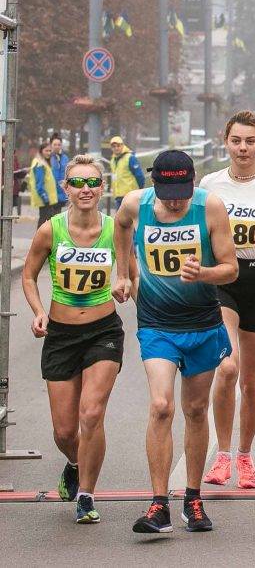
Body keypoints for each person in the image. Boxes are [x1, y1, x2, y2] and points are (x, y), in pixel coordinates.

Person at [113, 150, 238, 534]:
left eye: (181, 192)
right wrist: (124, 273)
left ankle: (193, 498)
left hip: (202, 323)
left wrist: (204, 274)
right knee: (162, 405)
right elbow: (120, 227)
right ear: (154, 184)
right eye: (167, 192)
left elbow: (231, 270)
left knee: (196, 411)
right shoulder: (136, 204)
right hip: (156, 324)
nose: (174, 200)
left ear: (192, 183)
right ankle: (158, 504)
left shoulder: (210, 207)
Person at [21, 155, 124, 524]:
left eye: (92, 183)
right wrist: (38, 311)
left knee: (92, 413)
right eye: (77, 183)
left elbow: (130, 270)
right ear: (66, 188)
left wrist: (125, 282)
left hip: (103, 331)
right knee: (65, 431)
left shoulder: (115, 229)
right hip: (62, 334)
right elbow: (30, 275)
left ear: (102, 187)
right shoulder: (51, 229)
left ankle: (86, 493)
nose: (86, 190)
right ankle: (74, 461)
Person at [199, 111, 255, 489]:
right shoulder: (210, 183)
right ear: (226, 141)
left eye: (250, 141)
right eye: (236, 140)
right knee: (227, 367)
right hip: (224, 279)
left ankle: (245, 457)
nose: (243, 148)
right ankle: (222, 454)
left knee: (251, 382)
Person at [109, 136, 145, 209]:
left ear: (122, 145)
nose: (116, 148)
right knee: (119, 219)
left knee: (131, 218)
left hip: (130, 196)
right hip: (118, 196)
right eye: (114, 146)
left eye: (118, 146)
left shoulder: (130, 158)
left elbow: (139, 175)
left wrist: (140, 190)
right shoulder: (112, 160)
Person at [29, 143, 58, 227]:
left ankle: (42, 239)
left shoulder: (43, 162)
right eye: (46, 150)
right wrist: (45, 198)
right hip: (45, 198)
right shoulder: (40, 164)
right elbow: (39, 183)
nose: (49, 153)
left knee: (45, 221)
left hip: (47, 198)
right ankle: (40, 239)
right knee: (45, 221)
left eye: (50, 151)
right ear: (41, 151)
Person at [50, 133, 70, 211]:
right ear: (51, 145)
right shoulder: (48, 158)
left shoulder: (65, 158)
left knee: (58, 217)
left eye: (59, 144)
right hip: (51, 193)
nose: (57, 146)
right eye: (55, 144)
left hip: (61, 193)